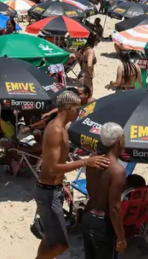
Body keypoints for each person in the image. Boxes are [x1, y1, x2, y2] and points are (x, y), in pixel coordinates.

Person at [35, 90, 110, 259]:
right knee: (60, 245)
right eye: (77, 109)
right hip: (48, 192)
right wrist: (85, 162)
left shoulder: (60, 128)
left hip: (53, 189)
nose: (79, 112)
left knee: (49, 237)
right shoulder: (55, 130)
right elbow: (53, 167)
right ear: (68, 108)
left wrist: (62, 184)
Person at [81, 122, 127, 259]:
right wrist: (121, 237)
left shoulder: (93, 160)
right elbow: (114, 207)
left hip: (87, 216)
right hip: (103, 223)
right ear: (119, 141)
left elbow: (90, 189)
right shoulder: (117, 171)